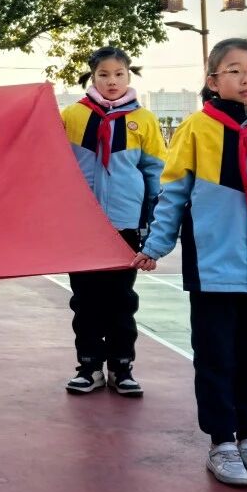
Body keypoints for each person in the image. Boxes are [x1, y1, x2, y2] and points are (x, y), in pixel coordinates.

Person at [133, 37, 247, 486]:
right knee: (216, 359)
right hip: (215, 271)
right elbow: (173, 194)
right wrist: (155, 246)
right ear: (213, 81)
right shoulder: (197, 129)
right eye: (234, 70)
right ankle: (222, 444)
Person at [60, 46, 164, 396]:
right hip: (82, 225)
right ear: (92, 77)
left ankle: (121, 367)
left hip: (125, 225)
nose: (112, 81)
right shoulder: (72, 116)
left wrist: (153, 222)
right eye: (103, 75)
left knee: (121, 299)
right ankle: (89, 366)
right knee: (85, 300)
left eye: (119, 74)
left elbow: (155, 172)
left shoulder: (143, 120)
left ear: (129, 75)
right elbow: (53, 164)